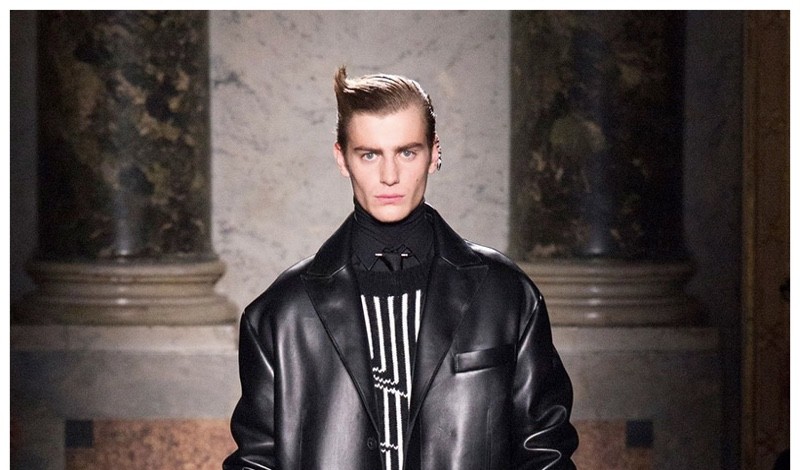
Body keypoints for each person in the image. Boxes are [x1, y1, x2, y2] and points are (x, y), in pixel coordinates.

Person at [223, 67, 578, 470]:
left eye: (407, 152)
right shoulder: (281, 314)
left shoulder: (506, 295)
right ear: (342, 159)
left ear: (434, 153)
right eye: (369, 154)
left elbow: (545, 453)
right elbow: (256, 461)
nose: (389, 176)